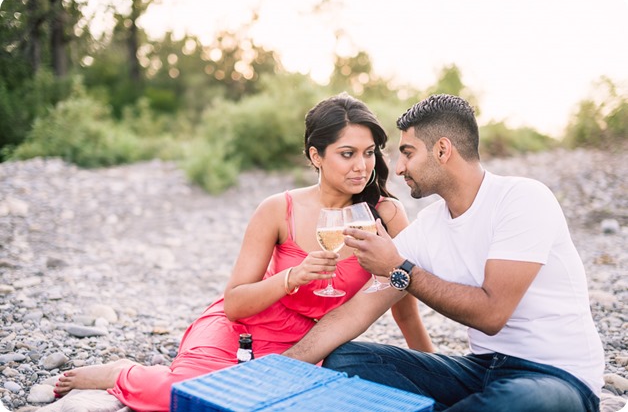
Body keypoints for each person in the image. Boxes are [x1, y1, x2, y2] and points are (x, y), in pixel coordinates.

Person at [52, 93, 433, 411]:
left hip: (310, 343)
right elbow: (235, 302)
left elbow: (403, 299)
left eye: (369, 153)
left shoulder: (384, 215)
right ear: (316, 155)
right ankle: (123, 372)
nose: (362, 166)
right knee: (194, 396)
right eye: (347, 153)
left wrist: (437, 377)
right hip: (243, 328)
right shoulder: (276, 209)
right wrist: (292, 277)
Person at [283, 94, 605, 412]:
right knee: (347, 359)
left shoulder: (522, 199)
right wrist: (284, 366)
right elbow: (356, 312)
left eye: (407, 153)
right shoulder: (429, 226)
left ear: (442, 150)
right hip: (481, 371)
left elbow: (491, 315)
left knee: (518, 401)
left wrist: (399, 268)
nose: (398, 168)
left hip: (556, 378)